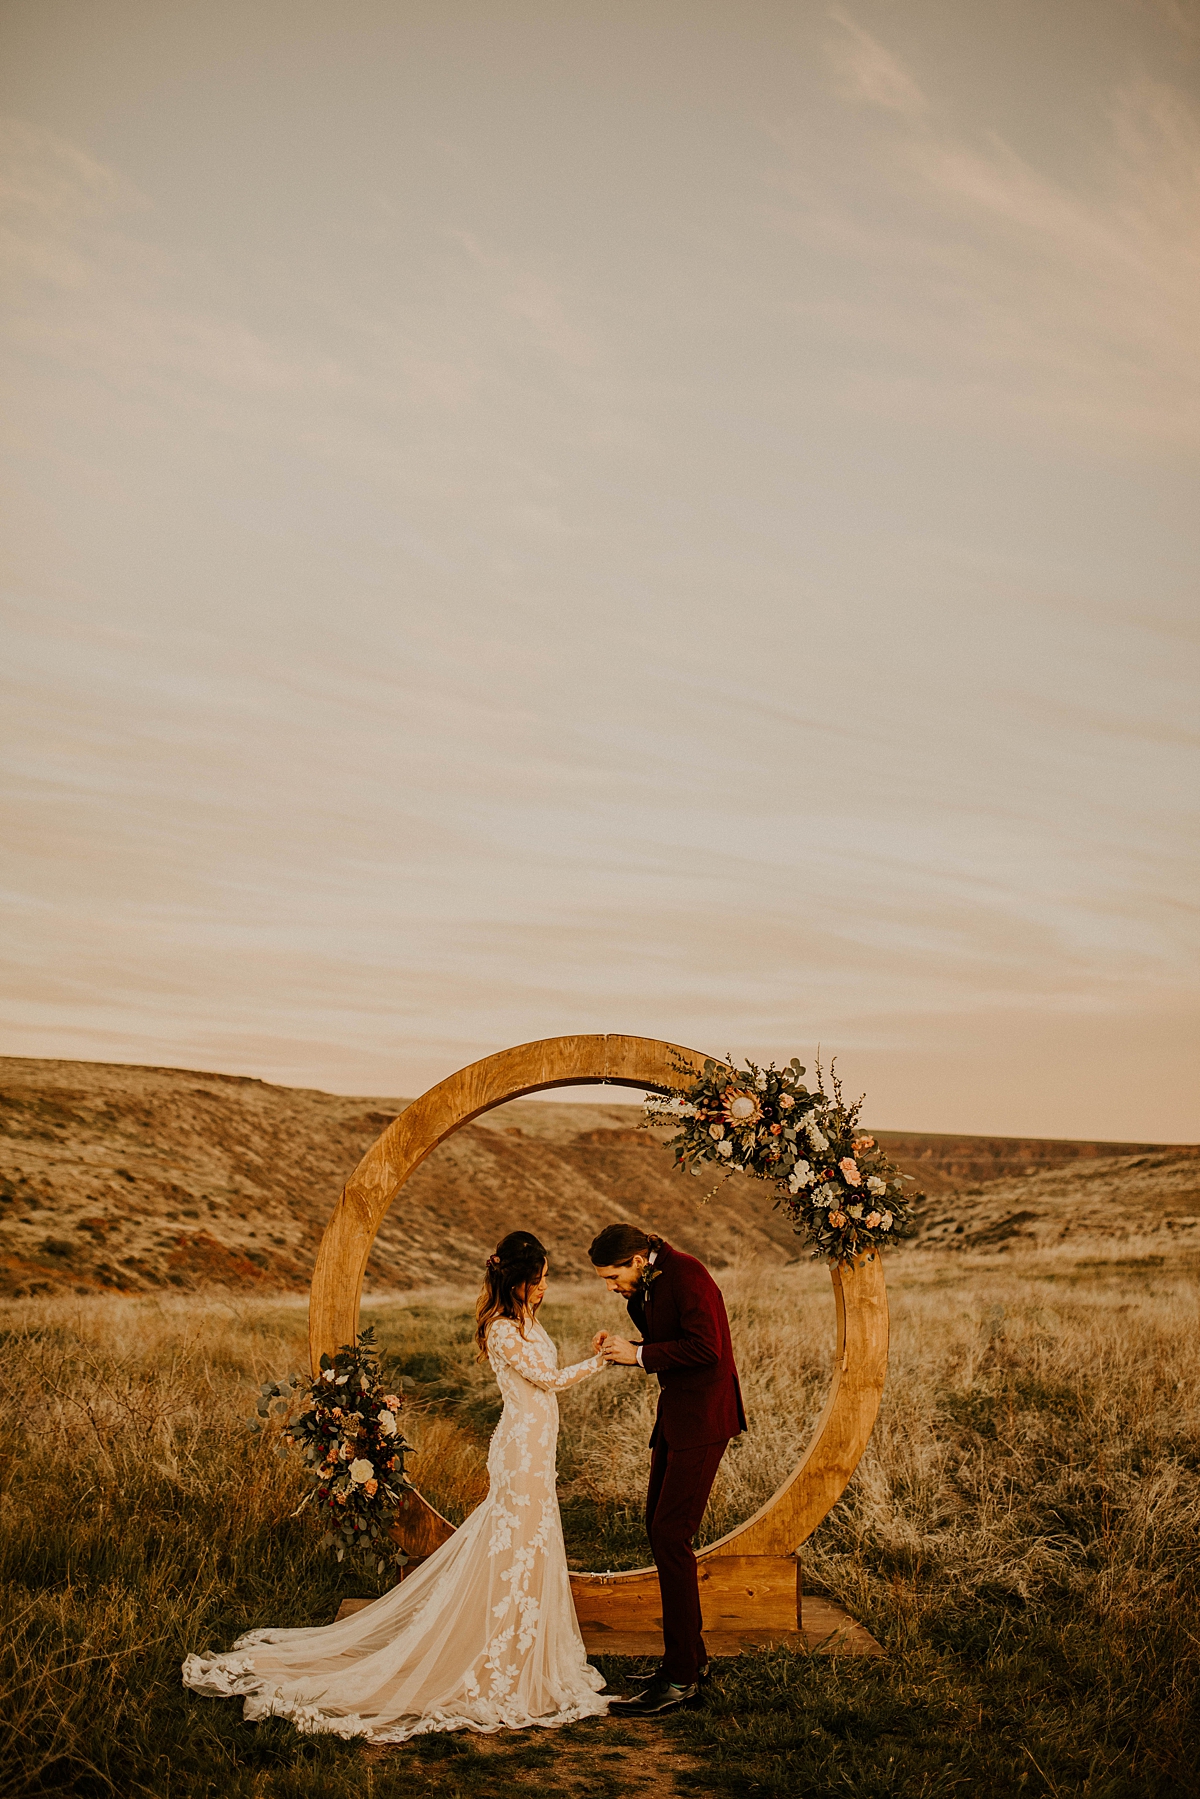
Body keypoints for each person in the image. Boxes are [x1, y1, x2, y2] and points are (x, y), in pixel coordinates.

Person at [182, 1231, 611, 1743]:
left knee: (530, 1545)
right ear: (516, 1281)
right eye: (538, 1279)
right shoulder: (500, 1329)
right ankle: (498, 1654)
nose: (545, 1287)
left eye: (545, 1279)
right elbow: (548, 1379)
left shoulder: (527, 1321)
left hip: (540, 1447)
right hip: (519, 1450)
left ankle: (521, 1646)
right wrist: (604, 1359)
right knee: (514, 1544)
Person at [589, 1224, 746, 1715]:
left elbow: (706, 1348)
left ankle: (681, 1679)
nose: (610, 1287)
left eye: (613, 1277)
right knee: (658, 1530)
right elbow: (669, 1338)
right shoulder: (654, 1278)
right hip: (677, 1417)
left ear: (639, 1260)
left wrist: (637, 1355)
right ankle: (688, 1660)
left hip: (703, 1420)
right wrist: (626, 1345)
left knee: (670, 1535)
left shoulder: (689, 1275)